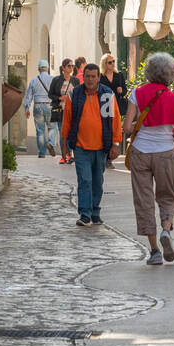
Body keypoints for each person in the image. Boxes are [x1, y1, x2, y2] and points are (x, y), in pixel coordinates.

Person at [123, 52, 174, 266]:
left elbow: (126, 127)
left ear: (149, 71)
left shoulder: (137, 93)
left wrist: (139, 125)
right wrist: (171, 130)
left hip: (141, 151)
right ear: (171, 74)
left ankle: (154, 251)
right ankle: (166, 230)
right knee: (167, 196)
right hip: (166, 152)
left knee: (144, 200)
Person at [62, 62, 121, 227]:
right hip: (80, 146)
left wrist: (115, 144)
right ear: (84, 77)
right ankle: (85, 214)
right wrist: (64, 144)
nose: (90, 79)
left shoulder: (107, 95)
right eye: (87, 76)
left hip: (101, 147)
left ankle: (95, 211)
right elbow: (67, 120)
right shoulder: (74, 94)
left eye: (93, 76)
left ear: (98, 77)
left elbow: (115, 120)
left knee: (97, 182)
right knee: (85, 180)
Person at [24, 59, 59, 157]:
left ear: (39, 69)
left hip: (38, 105)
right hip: (50, 105)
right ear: (47, 69)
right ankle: (50, 143)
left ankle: (42, 153)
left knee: (40, 130)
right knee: (52, 127)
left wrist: (26, 108)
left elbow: (28, 96)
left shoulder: (33, 81)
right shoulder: (53, 79)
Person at [100, 53, 128, 169]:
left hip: (116, 107)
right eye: (109, 62)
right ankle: (106, 157)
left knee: (114, 131)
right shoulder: (101, 77)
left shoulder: (119, 75)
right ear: (104, 64)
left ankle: (110, 158)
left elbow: (125, 90)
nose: (112, 64)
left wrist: (121, 91)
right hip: (104, 108)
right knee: (106, 131)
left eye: (113, 62)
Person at [50, 59, 77, 164]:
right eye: (69, 66)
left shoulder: (75, 80)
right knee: (63, 133)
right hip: (60, 110)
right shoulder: (57, 80)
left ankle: (69, 154)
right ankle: (64, 156)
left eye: (72, 66)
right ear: (63, 68)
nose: (71, 68)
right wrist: (59, 98)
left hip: (72, 110)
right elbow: (50, 94)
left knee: (71, 133)